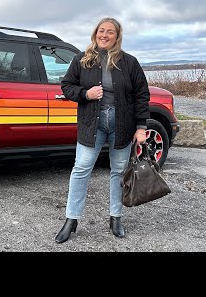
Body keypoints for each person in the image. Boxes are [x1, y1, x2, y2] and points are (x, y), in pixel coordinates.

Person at [55, 17, 150, 243]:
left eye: (110, 32)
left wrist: (141, 127)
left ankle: (116, 217)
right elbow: (67, 86)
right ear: (95, 33)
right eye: (101, 30)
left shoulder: (129, 62)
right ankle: (71, 219)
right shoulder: (82, 60)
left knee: (118, 172)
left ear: (117, 36)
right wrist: (86, 94)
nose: (104, 35)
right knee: (81, 169)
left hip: (122, 125)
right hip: (92, 123)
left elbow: (141, 95)